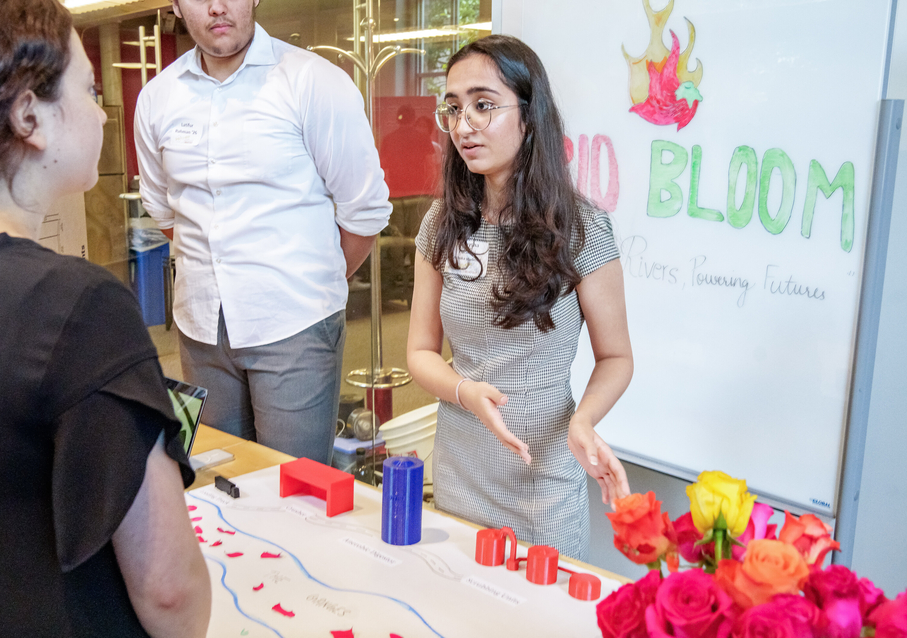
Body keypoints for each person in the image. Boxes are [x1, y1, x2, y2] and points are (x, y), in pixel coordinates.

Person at [0, 1, 210, 635]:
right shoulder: (78, 305)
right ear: (29, 115)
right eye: (90, 89)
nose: (103, 111)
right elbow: (167, 590)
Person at [406, 35, 634, 560]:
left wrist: (583, 422)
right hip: (461, 465)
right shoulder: (442, 225)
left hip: (544, 476)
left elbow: (617, 358)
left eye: (484, 106)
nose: (464, 126)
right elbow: (420, 351)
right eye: (454, 109)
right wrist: (466, 392)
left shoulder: (581, 229)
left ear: (530, 117)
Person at [135, 0, 391, 464]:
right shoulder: (158, 97)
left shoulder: (312, 81)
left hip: (296, 326)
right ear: (173, 5)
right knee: (219, 475)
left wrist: (311, 281)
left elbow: (364, 212)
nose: (216, 6)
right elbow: (165, 211)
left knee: (294, 490)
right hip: (200, 329)